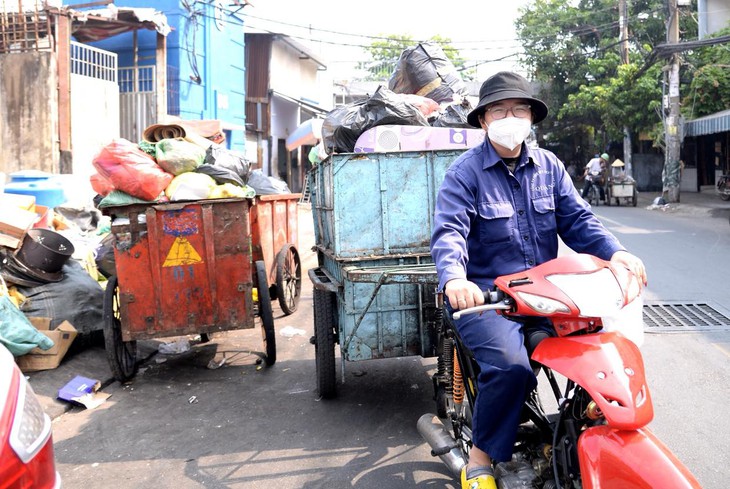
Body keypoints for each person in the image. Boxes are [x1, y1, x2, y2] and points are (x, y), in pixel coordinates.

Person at [429, 71, 647, 489]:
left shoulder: (549, 167)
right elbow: (450, 232)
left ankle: (581, 430)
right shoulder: (465, 174)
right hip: (485, 301)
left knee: (600, 357)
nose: (511, 116)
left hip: (544, 297)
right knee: (512, 368)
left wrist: (616, 252)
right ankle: (479, 458)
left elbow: (579, 220)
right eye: (500, 109)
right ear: (483, 120)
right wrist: (455, 278)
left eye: (519, 109)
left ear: (531, 117)